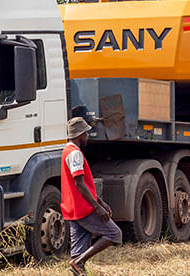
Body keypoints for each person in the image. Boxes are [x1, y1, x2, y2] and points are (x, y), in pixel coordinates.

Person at [62, 117, 122, 275]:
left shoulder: (67, 151)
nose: (88, 135)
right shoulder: (75, 154)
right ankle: (79, 262)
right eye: (86, 132)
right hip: (83, 207)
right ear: (79, 134)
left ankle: (78, 264)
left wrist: (101, 202)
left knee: (77, 250)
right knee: (114, 234)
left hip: (73, 208)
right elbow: (80, 184)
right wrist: (97, 208)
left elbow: (84, 184)